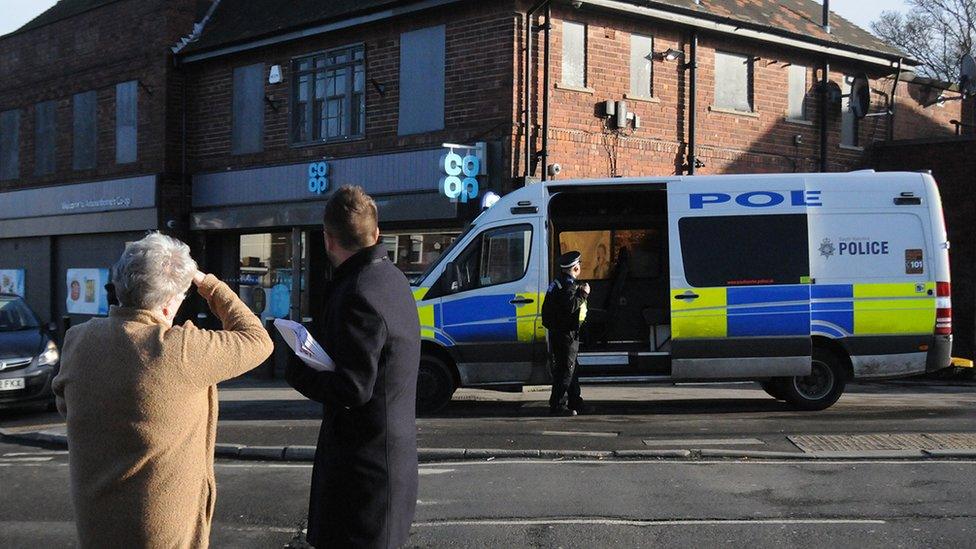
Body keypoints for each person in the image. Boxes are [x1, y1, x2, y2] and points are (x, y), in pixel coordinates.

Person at [52, 232, 273, 549]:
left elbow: (66, 405)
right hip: (160, 532)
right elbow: (257, 340)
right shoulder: (180, 350)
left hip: (95, 527)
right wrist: (206, 282)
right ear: (171, 303)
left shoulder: (79, 340)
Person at [286, 185, 421, 549]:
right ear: (376, 233)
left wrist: (297, 369)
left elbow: (353, 387)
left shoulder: (357, 292)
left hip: (363, 473)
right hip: (391, 461)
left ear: (328, 240)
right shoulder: (392, 279)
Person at [542, 250, 590, 416]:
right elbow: (570, 306)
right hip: (565, 335)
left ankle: (575, 400)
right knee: (565, 370)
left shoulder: (558, 283)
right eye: (579, 265)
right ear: (575, 268)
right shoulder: (568, 285)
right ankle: (557, 405)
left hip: (563, 333)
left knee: (571, 368)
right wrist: (583, 293)